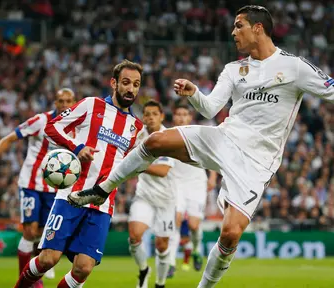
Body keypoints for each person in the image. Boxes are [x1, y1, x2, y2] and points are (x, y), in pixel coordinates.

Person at [67, 5, 334, 287]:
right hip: (224, 139)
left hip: (257, 162)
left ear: (258, 28)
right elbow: (210, 109)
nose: (233, 32)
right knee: (156, 140)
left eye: (239, 25)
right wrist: (194, 93)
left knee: (230, 234)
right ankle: (102, 190)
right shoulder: (235, 69)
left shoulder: (294, 67)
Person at [13, 59, 144, 288]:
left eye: (136, 84)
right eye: (125, 82)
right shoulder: (91, 105)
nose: (130, 88)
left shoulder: (137, 128)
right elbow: (51, 127)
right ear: (114, 83)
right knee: (48, 259)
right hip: (71, 196)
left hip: (102, 205)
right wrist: (77, 148)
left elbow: (134, 163)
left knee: (83, 268)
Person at [0, 88, 76, 284]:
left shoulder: (78, 127)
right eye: (60, 100)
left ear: (74, 103)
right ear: (55, 102)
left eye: (68, 101)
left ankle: (36, 271)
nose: (64, 105)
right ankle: (27, 280)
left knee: (46, 234)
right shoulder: (41, 121)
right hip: (31, 184)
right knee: (29, 231)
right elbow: (11, 137)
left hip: (55, 189)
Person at [128, 100, 176, 288]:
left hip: (166, 200)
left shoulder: (168, 138)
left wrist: (137, 165)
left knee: (162, 246)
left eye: (154, 114)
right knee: (134, 236)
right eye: (146, 114)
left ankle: (160, 283)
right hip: (144, 196)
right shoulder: (138, 136)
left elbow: (163, 170)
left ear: (162, 116)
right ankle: (143, 270)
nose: (150, 117)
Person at [167, 104, 217, 277]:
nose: (181, 117)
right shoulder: (167, 135)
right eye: (178, 114)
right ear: (174, 117)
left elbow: (212, 156)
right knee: (176, 220)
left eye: (184, 114)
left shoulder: (198, 134)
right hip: (176, 183)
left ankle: (196, 250)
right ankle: (171, 262)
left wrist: (212, 177)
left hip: (196, 182)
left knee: (194, 225)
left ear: (190, 117)